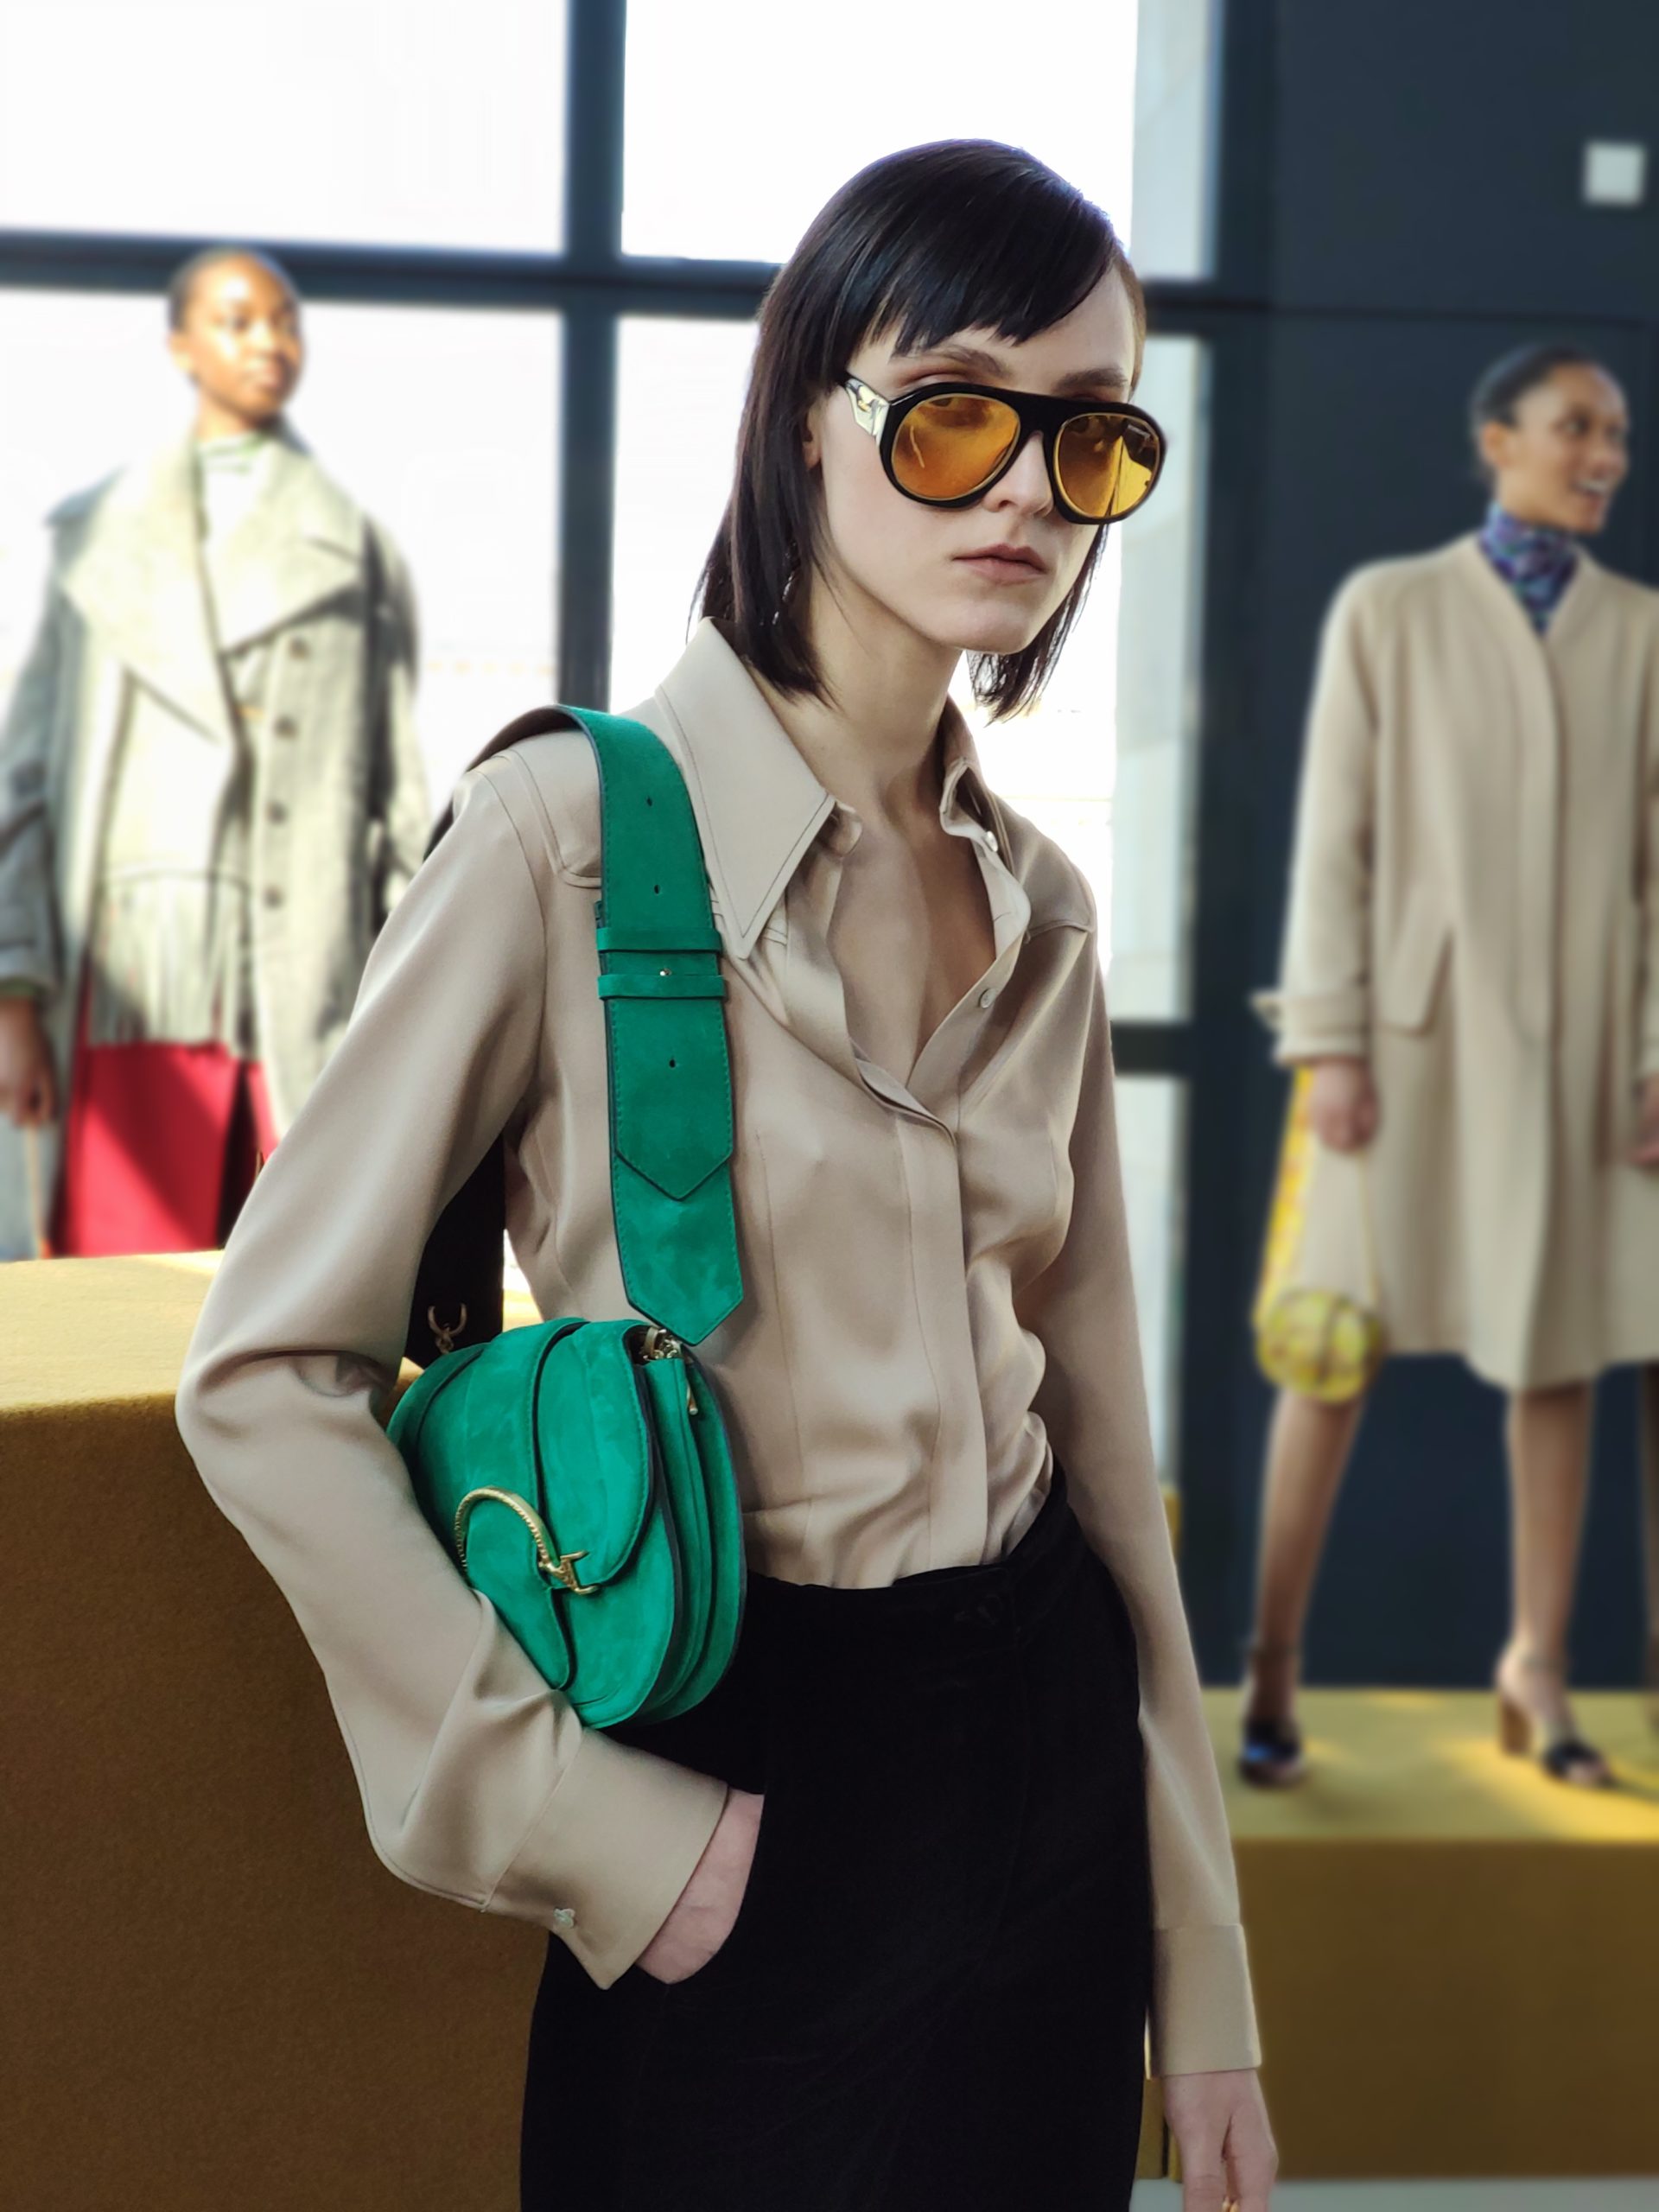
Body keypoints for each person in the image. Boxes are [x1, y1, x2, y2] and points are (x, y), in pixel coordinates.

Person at [175, 143, 1274, 2212]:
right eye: (952, 414)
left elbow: (1110, 1461)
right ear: (805, 423)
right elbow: (261, 1374)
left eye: (1092, 436)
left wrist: (1198, 1961)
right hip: (740, 1779)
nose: (1027, 493)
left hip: (1049, 1763)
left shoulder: (1043, 908)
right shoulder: (565, 836)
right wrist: (583, 1822)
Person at [1243, 342, 1659, 1792]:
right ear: (1499, 439)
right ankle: (1273, 1663)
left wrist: (1656, 1053)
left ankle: (1536, 1662)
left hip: (1581, 1053)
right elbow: (1334, 838)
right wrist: (1331, 1039)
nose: (1604, 453)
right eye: (1575, 426)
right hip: (1404, 1044)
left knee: (1557, 1353)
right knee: (1329, 1346)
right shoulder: (1392, 608)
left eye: (1616, 432)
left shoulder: (1644, 633)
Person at [0, 246, 429, 1258]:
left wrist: (418, 1024)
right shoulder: (98, 537)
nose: (269, 342)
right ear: (182, 346)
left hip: (299, 984)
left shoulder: (353, 550)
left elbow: (398, 809)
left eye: (284, 321)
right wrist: (15, 996)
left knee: (289, 1294)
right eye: (237, 321)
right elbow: (29, 783)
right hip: (130, 991)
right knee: (121, 1307)